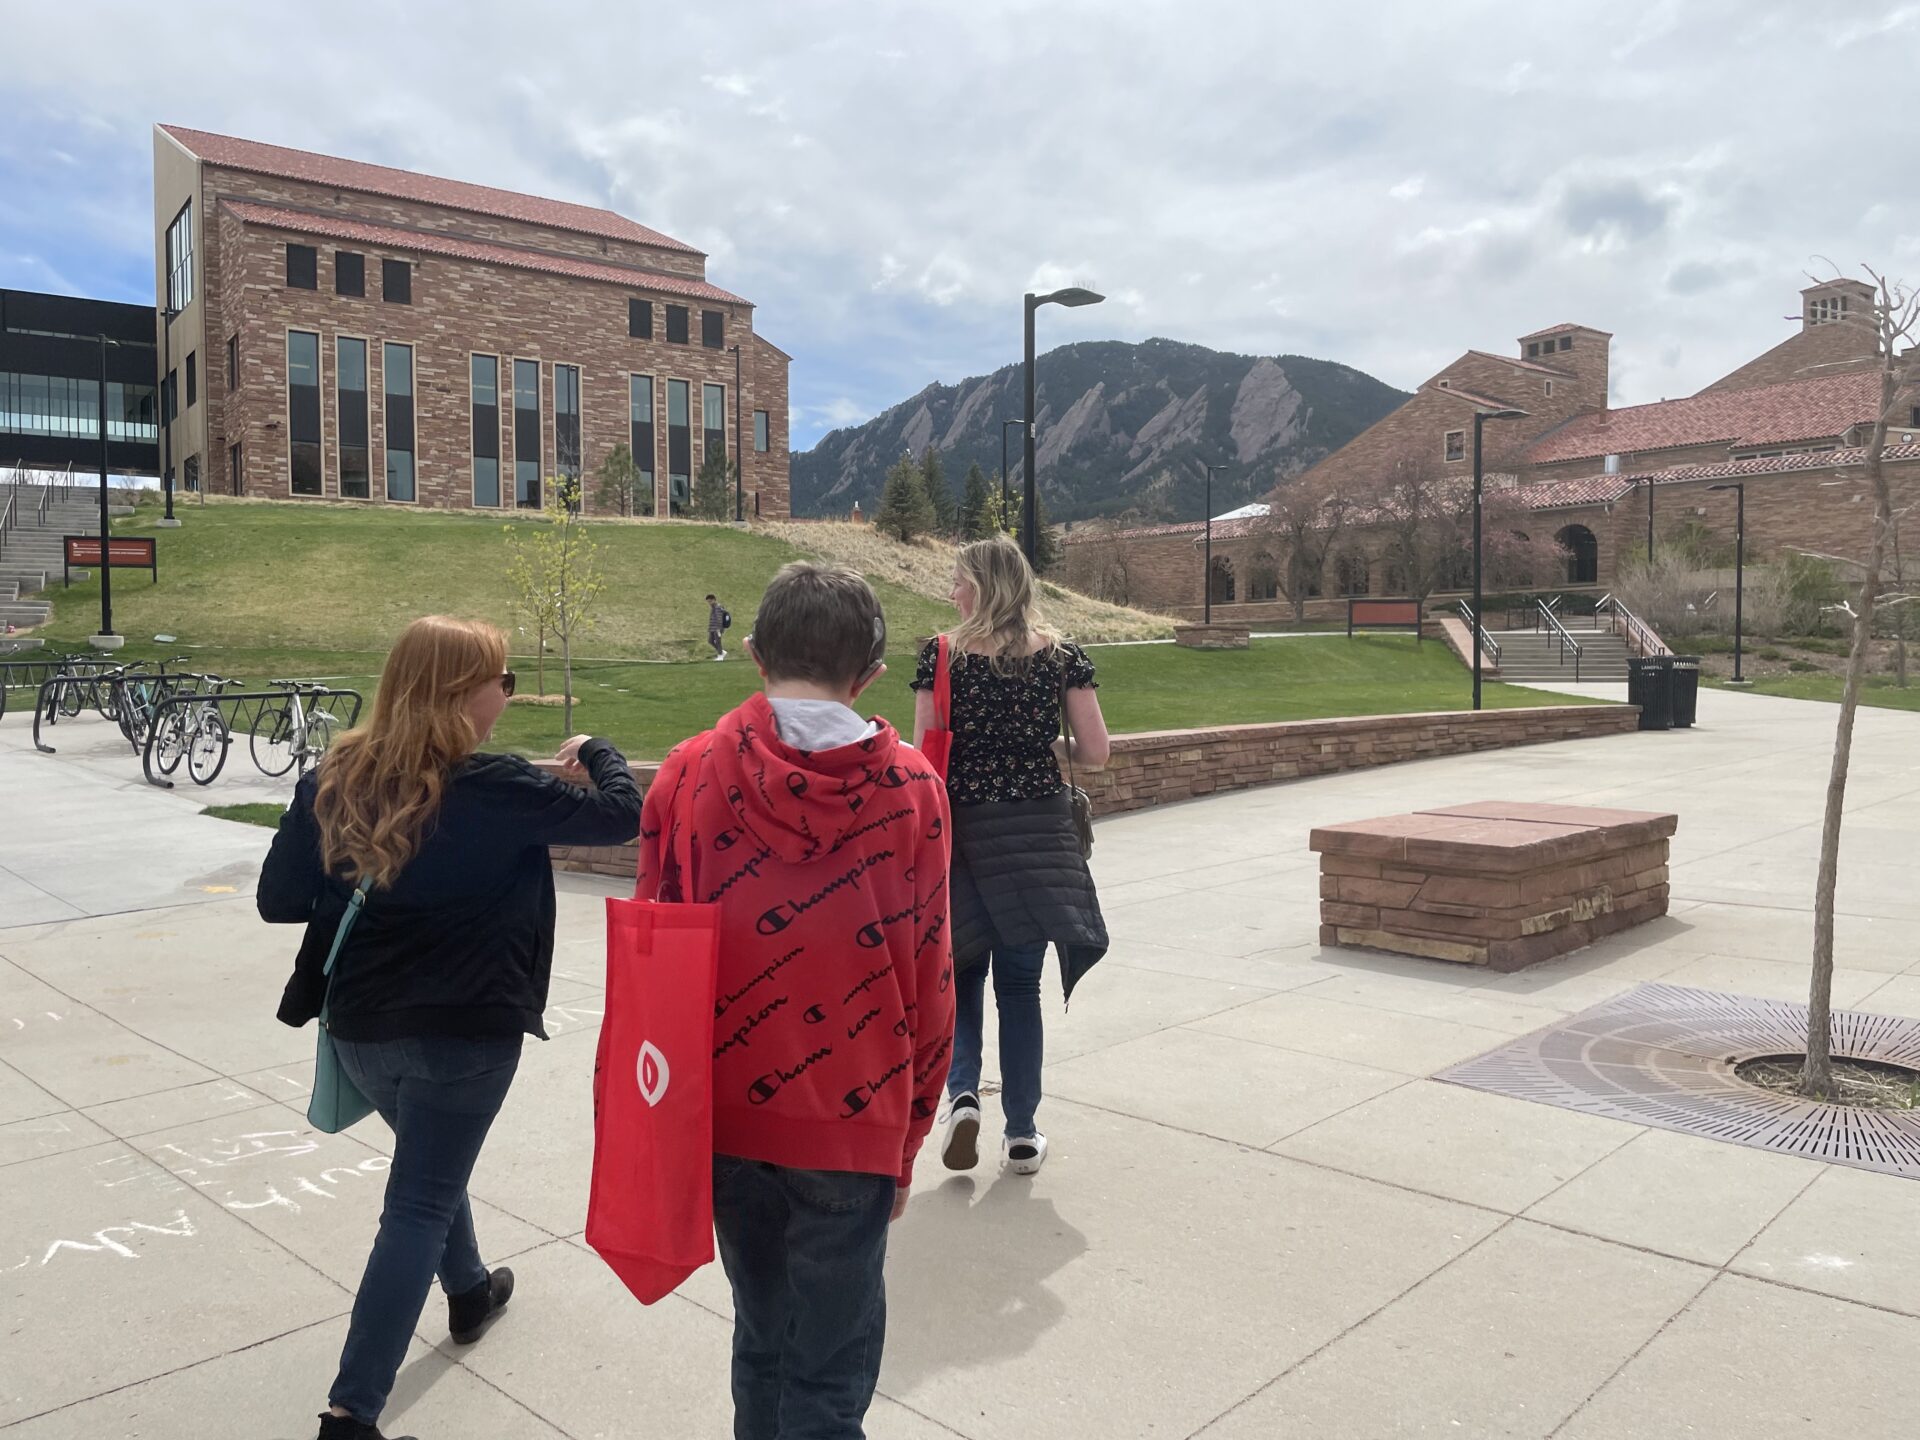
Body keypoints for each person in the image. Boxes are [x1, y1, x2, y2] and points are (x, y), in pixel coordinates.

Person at [259, 615, 644, 1440]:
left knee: (427, 1173)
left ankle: (469, 1290)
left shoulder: (335, 778)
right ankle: (350, 1410)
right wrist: (600, 751)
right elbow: (621, 815)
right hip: (464, 1036)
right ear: (456, 694)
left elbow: (279, 900)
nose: (505, 696)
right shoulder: (495, 786)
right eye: (499, 682)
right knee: (420, 1199)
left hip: (362, 1031)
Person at [636, 562, 953, 1440]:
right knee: (831, 1368)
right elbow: (930, 974)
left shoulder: (687, 776)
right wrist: (912, 1130)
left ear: (752, 652)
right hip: (854, 1118)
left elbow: (657, 968)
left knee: (761, 1340)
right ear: (872, 673)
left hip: (727, 1116)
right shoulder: (916, 791)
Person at [912, 535, 1109, 1177]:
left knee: (961, 973)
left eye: (959, 580)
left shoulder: (940, 656)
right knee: (1020, 988)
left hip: (962, 839)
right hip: (1036, 839)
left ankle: (962, 1096)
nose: (951, 591)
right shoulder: (1062, 657)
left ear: (985, 586)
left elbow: (921, 756)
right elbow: (1096, 751)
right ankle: (1022, 1132)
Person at [707, 592, 728, 661]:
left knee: (718, 641)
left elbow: (719, 618)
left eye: (710, 601)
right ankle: (722, 652)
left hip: (717, 628)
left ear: (714, 600)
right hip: (712, 628)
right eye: (708, 602)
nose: (709, 603)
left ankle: (720, 656)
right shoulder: (713, 608)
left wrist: (718, 628)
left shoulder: (718, 607)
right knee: (710, 641)